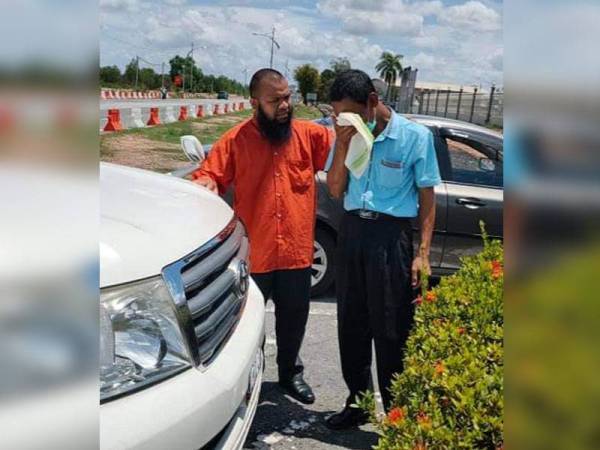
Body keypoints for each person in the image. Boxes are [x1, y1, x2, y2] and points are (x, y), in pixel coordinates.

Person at [192, 68, 333, 404]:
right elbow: (209, 175)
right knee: (245, 326)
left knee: (294, 321)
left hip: (297, 252)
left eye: (287, 97)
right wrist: (205, 183)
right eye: (275, 100)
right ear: (255, 103)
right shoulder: (235, 141)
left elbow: (346, 150)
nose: (285, 105)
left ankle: (290, 374)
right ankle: (246, 382)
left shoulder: (309, 135)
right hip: (255, 254)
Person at [325, 70, 440, 429]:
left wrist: (422, 253)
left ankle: (396, 416)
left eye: (349, 114)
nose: (343, 121)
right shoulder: (345, 136)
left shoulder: (414, 138)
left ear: (373, 102)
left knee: (392, 329)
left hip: (390, 238)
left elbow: (427, 197)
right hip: (352, 233)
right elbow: (334, 190)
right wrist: (342, 144)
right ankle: (357, 403)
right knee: (351, 325)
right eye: (337, 115)